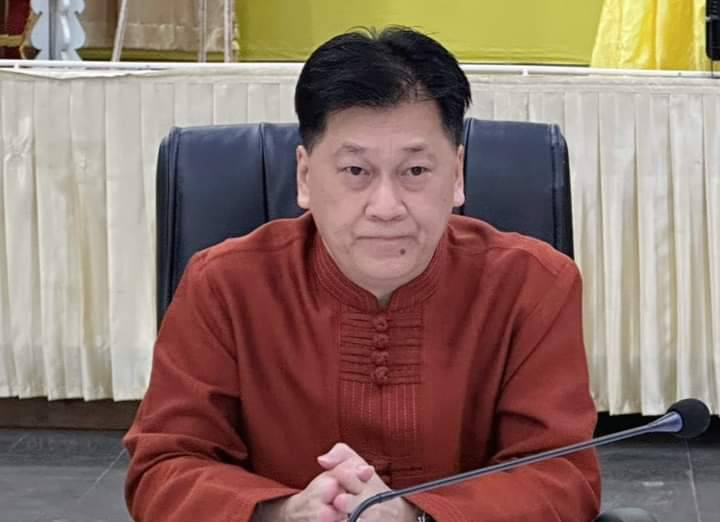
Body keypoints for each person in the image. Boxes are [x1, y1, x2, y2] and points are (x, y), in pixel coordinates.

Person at [124, 27, 601, 521]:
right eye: (356, 171)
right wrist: (281, 514)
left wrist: (414, 517)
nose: (386, 207)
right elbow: (164, 467)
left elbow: (561, 476)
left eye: (415, 171)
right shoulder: (224, 286)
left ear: (457, 173)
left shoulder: (533, 286)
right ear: (305, 176)